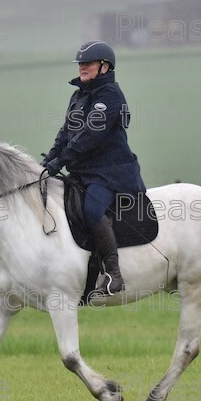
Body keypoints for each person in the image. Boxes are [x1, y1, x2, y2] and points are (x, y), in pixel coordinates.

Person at [41, 40, 146, 298]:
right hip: (85, 173)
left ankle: (113, 273)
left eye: (87, 63)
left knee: (91, 209)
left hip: (110, 173)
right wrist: (50, 159)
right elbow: (66, 132)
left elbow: (91, 135)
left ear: (104, 66)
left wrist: (62, 161)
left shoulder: (109, 96)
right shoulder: (79, 95)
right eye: (81, 63)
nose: (82, 67)